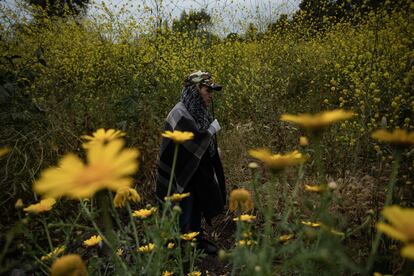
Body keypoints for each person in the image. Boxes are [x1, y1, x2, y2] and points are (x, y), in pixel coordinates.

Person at [156, 71, 226, 255]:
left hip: (197, 169)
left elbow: (200, 143)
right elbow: (190, 142)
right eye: (207, 90)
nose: (211, 95)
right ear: (194, 90)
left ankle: (195, 239)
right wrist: (210, 132)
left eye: (212, 91)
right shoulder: (179, 112)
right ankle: (179, 248)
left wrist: (211, 150)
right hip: (180, 171)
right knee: (183, 206)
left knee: (197, 203)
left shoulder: (199, 110)